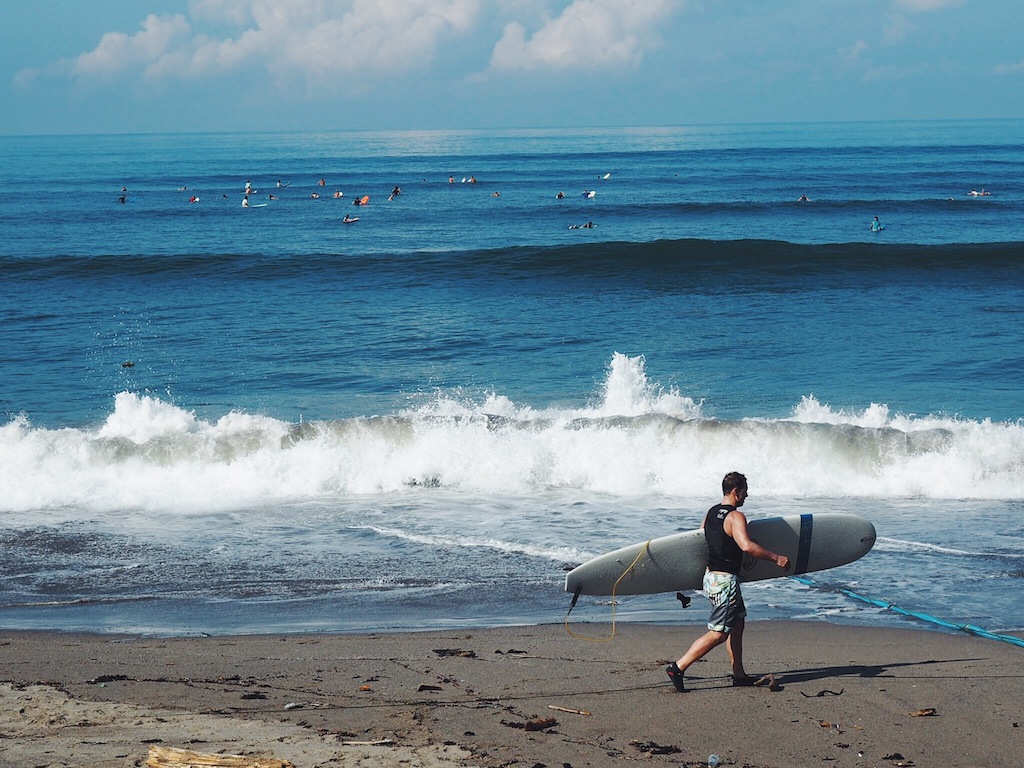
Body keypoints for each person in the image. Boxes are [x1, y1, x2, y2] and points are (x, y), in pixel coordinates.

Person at [666, 472, 789, 693]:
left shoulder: (711, 513)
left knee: (738, 622)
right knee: (719, 632)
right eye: (745, 491)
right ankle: (678, 667)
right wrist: (776, 558)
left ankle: (739, 674)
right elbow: (746, 546)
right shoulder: (736, 517)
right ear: (736, 491)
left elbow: (704, 541)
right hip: (725, 582)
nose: (746, 495)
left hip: (712, 577)